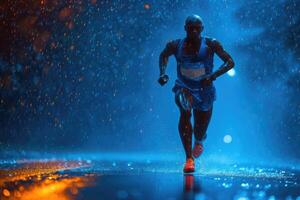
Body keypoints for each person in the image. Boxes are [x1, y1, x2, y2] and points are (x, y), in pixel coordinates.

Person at [158, 14, 235, 173]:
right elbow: (163, 55)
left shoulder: (211, 44)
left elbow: (230, 62)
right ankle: (188, 159)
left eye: (197, 28)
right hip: (184, 86)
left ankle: (199, 140)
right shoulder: (175, 45)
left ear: (202, 29)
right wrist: (162, 73)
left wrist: (213, 75)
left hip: (204, 90)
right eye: (190, 28)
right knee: (184, 110)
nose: (193, 31)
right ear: (185, 28)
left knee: (200, 128)